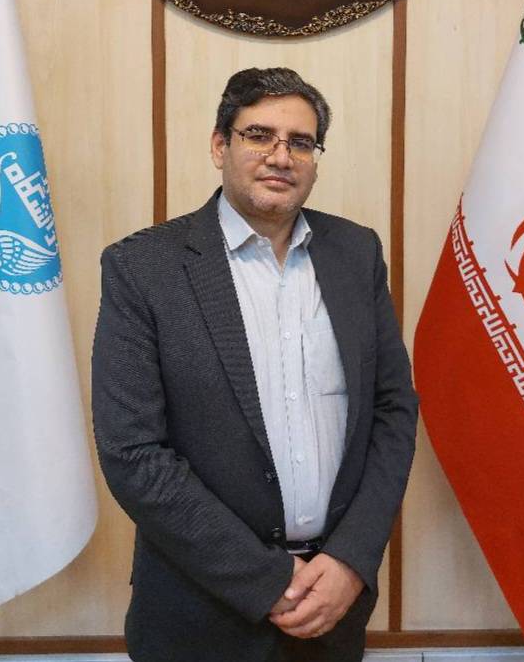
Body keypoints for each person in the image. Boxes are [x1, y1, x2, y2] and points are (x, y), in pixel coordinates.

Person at [92, 67, 418, 662]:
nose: (281, 156)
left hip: (333, 603)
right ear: (220, 145)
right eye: (259, 135)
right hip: (198, 612)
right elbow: (132, 452)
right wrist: (265, 580)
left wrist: (351, 559)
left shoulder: (356, 253)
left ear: (315, 159)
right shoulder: (144, 268)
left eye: (301, 142)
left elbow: (392, 411)